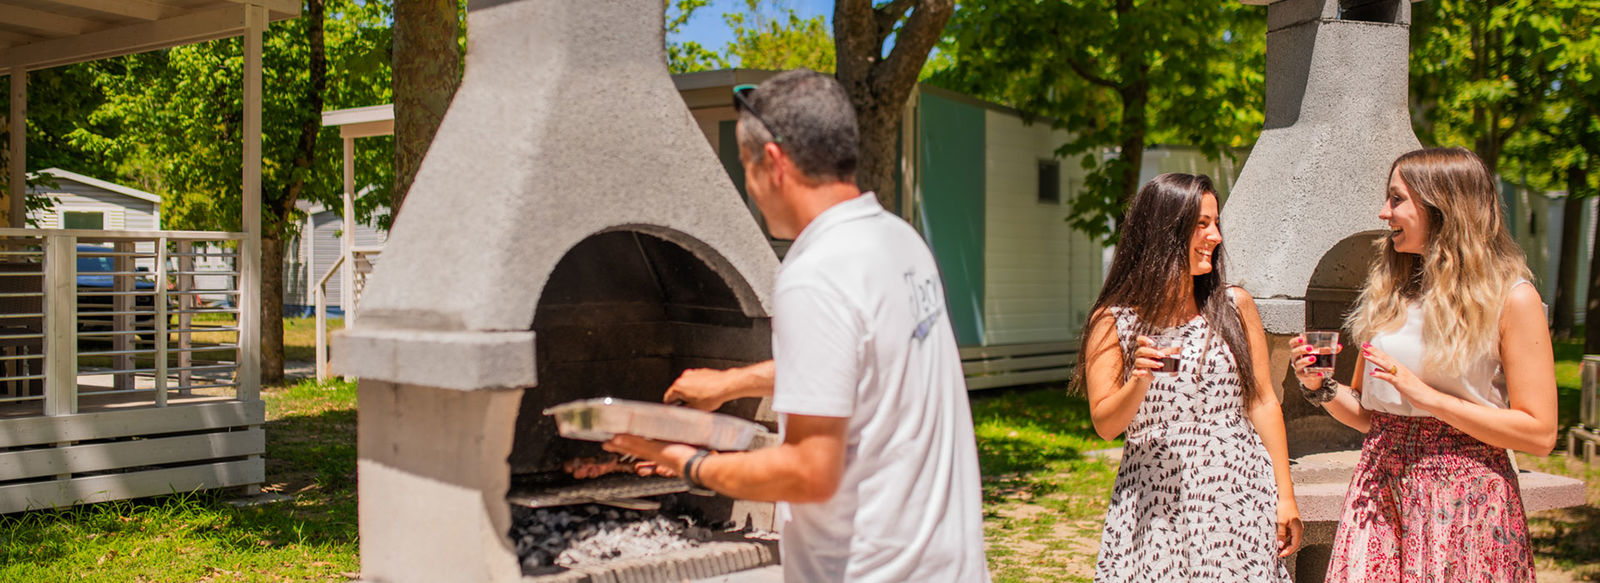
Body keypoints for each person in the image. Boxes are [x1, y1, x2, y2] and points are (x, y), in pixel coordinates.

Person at [601, 69, 990, 583]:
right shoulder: (898, 242)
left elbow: (809, 473)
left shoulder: (815, 274)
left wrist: (682, 460)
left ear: (774, 162)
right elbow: (859, 363)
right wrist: (730, 384)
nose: (750, 187)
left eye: (746, 166)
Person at [1293, 147, 1557, 582]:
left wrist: (1428, 398)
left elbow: (1540, 433)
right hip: (1378, 493)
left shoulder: (1512, 298)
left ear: (1441, 206)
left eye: (1396, 199)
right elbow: (1367, 416)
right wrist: (1320, 387)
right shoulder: (1390, 294)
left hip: (1465, 503)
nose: (1383, 212)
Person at [1077, 173, 1301, 582]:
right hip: (1156, 501)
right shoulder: (1113, 322)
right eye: (1201, 224)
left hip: (1238, 492)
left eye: (1216, 223)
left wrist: (1285, 496)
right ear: (1163, 231)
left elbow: (1263, 401)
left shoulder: (1234, 306)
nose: (1215, 236)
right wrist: (1139, 381)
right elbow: (1106, 425)